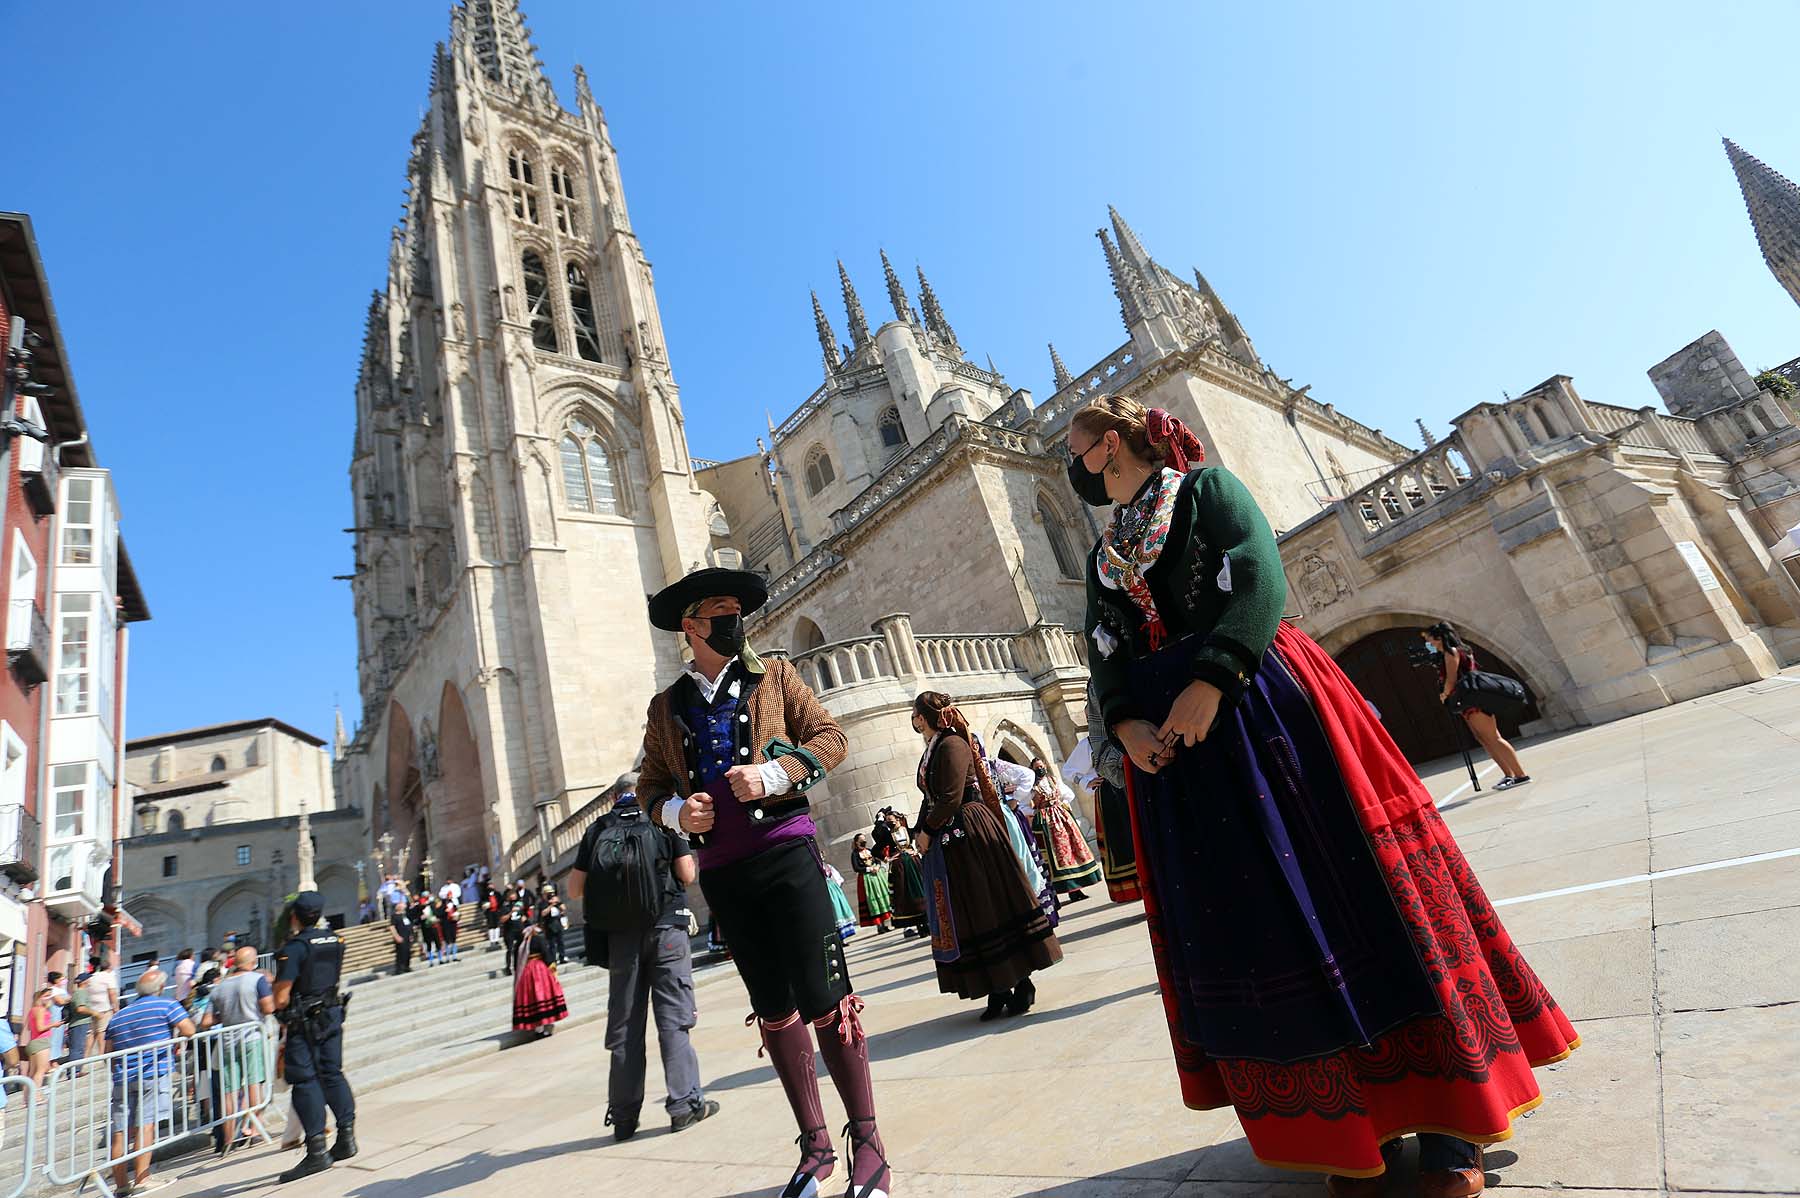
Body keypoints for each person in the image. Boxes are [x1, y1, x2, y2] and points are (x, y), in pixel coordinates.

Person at [1069, 396, 1578, 1196]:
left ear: (1106, 446)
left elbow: (1259, 578)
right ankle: (1355, 1127)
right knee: (1265, 926)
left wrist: (1213, 679)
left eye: (1078, 449)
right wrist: (1127, 721)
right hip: (1179, 761)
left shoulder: (1204, 491)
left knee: (1357, 892)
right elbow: (1103, 651)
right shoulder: (1106, 555)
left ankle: (1452, 1129)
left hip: (1262, 705)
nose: (1074, 467)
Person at [638, 566, 889, 1198]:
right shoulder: (666, 708)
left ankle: (870, 1145)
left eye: (735, 609)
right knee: (775, 1009)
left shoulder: (774, 676)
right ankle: (815, 1146)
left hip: (786, 855)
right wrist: (676, 813)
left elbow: (830, 738)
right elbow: (649, 787)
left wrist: (778, 774)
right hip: (725, 875)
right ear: (690, 627)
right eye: (718, 611)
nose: (732, 620)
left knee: (827, 998)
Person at [911, 692, 1064, 1021]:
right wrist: (919, 830)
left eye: (917, 714)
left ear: (925, 716)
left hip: (969, 830)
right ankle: (996, 988)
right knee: (971, 911)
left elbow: (951, 795)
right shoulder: (933, 747)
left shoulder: (952, 744)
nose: (915, 720)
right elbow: (931, 797)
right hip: (950, 838)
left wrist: (928, 831)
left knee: (991, 904)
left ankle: (1021, 982)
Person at [572, 788, 710, 1140]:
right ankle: (684, 1105)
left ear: (614, 797)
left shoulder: (598, 828)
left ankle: (623, 1117)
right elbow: (687, 873)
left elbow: (575, 889)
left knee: (625, 1028)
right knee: (673, 1019)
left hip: (621, 939)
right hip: (666, 930)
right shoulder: (663, 819)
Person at [272, 891, 358, 1183]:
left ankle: (317, 1150)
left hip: (304, 1020)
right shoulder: (336, 940)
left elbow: (282, 996)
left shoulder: (295, 948)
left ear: (295, 916)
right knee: (332, 1072)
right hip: (332, 1012)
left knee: (305, 1080)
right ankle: (346, 1136)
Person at [105, 968, 196, 1194]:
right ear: (161, 988)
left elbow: (107, 1052)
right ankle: (142, 1179)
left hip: (123, 1077)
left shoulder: (118, 1015)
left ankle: (121, 1185)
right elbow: (189, 1030)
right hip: (154, 1072)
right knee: (146, 1126)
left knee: (120, 1132)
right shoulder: (167, 1005)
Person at [1427, 622, 1533, 790]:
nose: (1429, 643)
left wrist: (1444, 694)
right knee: (1484, 738)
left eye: (1430, 639)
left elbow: (1452, 679)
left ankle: (1520, 775)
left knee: (1493, 737)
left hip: (1473, 699)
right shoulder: (1460, 650)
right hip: (1469, 699)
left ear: (1439, 637)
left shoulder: (1452, 652)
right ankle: (1508, 774)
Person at [204, 946, 275, 1156]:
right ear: (253, 962)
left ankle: (228, 1139)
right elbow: (269, 1008)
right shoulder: (256, 980)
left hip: (227, 1040)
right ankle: (254, 1131)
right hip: (252, 1035)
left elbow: (207, 1021)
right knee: (254, 1083)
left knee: (229, 1090)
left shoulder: (219, 986)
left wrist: (225, 1017)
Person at [1027, 757, 1100, 902]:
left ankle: (1078, 888)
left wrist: (1061, 805)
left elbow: (1068, 794)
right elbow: (1026, 805)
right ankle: (1067, 890)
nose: (1040, 769)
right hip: (1046, 822)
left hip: (1061, 817)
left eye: (1041, 766)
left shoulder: (1053, 780)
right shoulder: (1030, 787)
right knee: (1057, 856)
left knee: (1073, 851)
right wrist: (1036, 813)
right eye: (1036, 767)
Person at [874, 810, 928, 938]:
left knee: (920, 890)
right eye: (888, 821)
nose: (890, 822)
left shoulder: (908, 831)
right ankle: (909, 925)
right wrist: (887, 858)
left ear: (898, 819)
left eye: (891, 820)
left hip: (914, 864)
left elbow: (921, 835)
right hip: (900, 867)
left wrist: (917, 851)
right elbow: (876, 845)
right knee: (904, 893)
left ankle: (926, 923)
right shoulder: (888, 835)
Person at [510, 922, 568, 1039]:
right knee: (542, 996)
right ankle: (544, 1025)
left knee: (531, 999)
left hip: (525, 972)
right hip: (539, 969)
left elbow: (516, 963)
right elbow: (546, 955)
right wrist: (552, 967)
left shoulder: (519, 944)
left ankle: (537, 1029)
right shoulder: (538, 939)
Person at [850, 834, 894, 933]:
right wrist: (869, 869)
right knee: (872, 900)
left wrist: (878, 866)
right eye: (861, 840)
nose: (864, 842)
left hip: (877, 877)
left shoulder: (869, 850)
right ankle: (879, 925)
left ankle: (885, 923)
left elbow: (877, 859)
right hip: (867, 879)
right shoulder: (855, 854)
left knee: (882, 897)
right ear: (856, 842)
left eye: (864, 840)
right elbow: (856, 868)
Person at [86, 951, 119, 1056]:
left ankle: (85, 1056)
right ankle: (102, 1055)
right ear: (109, 968)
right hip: (104, 1008)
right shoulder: (108, 977)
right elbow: (112, 993)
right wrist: (116, 1007)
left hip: (92, 1008)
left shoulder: (91, 977)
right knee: (102, 1032)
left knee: (91, 1033)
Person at [23, 989, 55, 1085]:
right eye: (47, 995)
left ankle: (26, 1098)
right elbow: (40, 1028)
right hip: (42, 1042)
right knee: (41, 1070)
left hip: (33, 1042)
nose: (50, 998)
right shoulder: (41, 1009)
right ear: (40, 997)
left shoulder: (32, 1010)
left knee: (32, 1072)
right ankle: (36, 1095)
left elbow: (29, 1027)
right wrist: (53, 1025)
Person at [824, 862, 858, 941]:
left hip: (833, 889)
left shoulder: (828, 866)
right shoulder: (817, 868)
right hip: (826, 890)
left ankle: (843, 937)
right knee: (835, 913)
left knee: (839, 910)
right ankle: (838, 939)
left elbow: (837, 877)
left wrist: (836, 885)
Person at [537, 886, 568, 967]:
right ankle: (553, 959)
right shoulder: (542, 903)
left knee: (561, 942)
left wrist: (558, 902)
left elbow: (563, 909)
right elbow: (543, 913)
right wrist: (550, 905)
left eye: (551, 893)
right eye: (548, 893)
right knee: (552, 944)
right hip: (549, 925)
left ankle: (562, 957)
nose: (550, 895)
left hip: (558, 923)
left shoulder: (556, 900)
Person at [390, 898, 414, 975]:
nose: (403, 905)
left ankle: (407, 966)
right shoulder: (394, 916)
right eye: (401, 904)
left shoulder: (405, 915)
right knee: (401, 952)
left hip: (407, 936)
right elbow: (392, 927)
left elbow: (409, 925)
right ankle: (399, 968)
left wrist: (411, 935)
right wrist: (396, 936)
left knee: (408, 952)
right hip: (400, 936)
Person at [441, 895, 462, 963]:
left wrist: (457, 916)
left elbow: (456, 911)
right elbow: (440, 914)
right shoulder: (443, 906)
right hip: (446, 924)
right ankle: (447, 957)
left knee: (453, 940)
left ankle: (454, 956)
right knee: (448, 941)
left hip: (453, 923)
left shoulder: (453, 904)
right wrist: (445, 911)